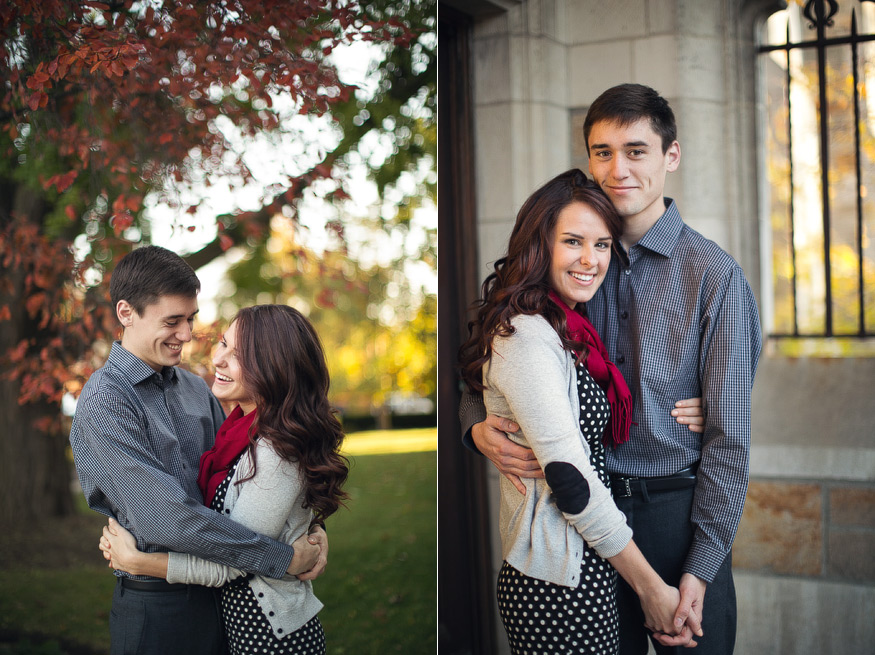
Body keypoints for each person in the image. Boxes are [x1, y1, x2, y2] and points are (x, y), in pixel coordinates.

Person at [460, 84, 762, 654]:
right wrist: (475, 425)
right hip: (583, 523)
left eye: (636, 151)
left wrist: (701, 566)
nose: (618, 169)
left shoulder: (715, 276)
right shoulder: (569, 263)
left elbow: (730, 438)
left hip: (676, 515)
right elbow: (492, 358)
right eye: (603, 152)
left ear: (671, 156)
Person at [458, 169, 700, 654]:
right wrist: (650, 588)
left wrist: (709, 401)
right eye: (573, 242)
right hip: (558, 584)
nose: (590, 259)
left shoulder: (568, 326)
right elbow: (572, 481)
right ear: (539, 245)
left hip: (591, 564)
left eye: (602, 244)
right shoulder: (527, 336)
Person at [70, 246, 327, 655]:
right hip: (160, 609)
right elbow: (166, 519)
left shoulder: (194, 388)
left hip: (225, 600)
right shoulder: (107, 402)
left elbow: (250, 484)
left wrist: (311, 530)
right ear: (126, 313)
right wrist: (282, 557)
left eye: (190, 319)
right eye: (172, 321)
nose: (187, 335)